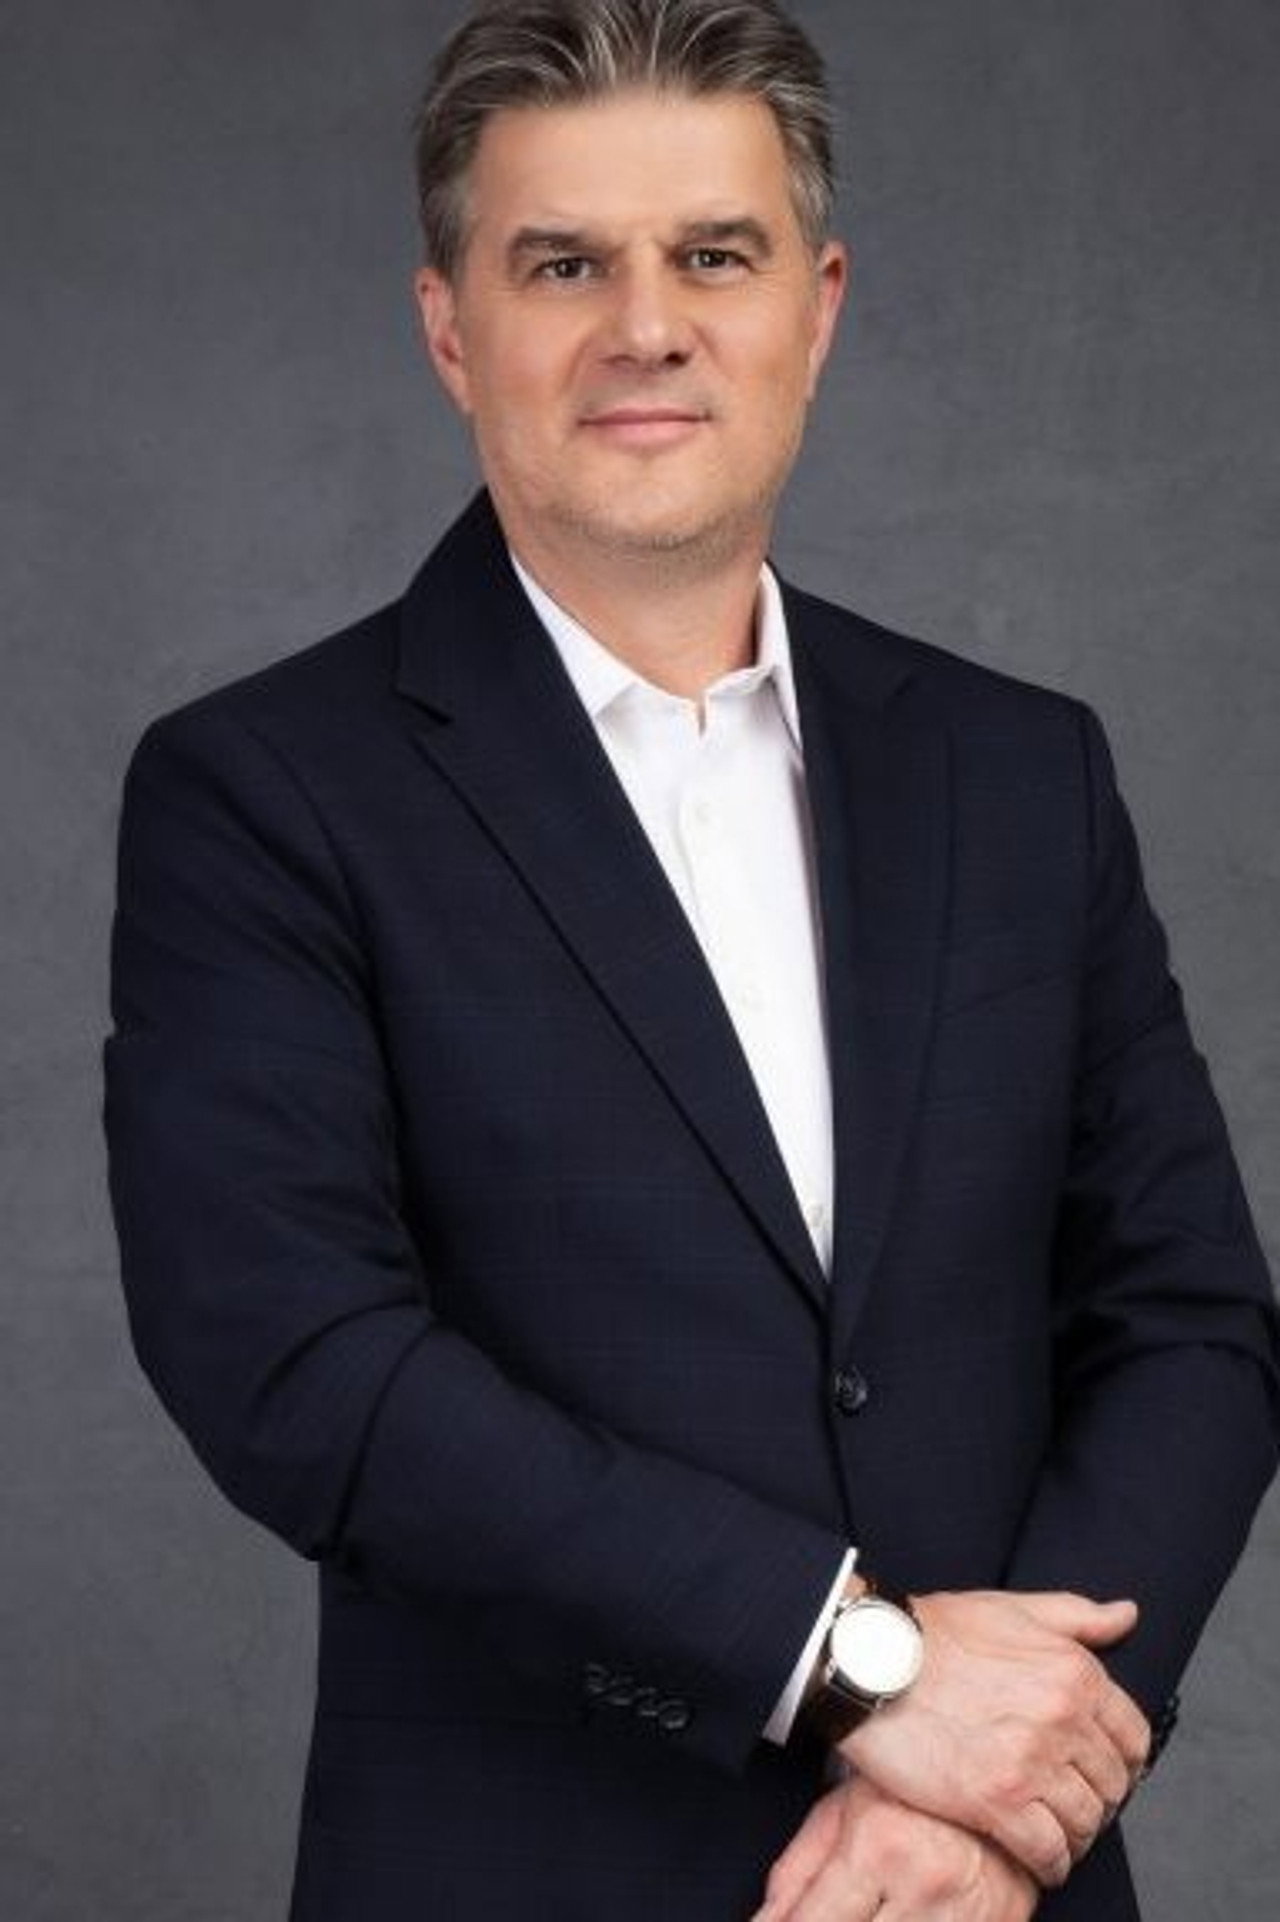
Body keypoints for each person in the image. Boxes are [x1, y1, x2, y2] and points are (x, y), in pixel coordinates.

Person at [104, 3, 1279, 1917]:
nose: (646, 324)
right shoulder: (262, 792)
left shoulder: (1022, 768)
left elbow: (1191, 1317)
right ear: (450, 329)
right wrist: (858, 1666)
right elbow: (301, 1366)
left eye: (713, 255)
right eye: (563, 263)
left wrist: (1000, 1782)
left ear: (817, 309)